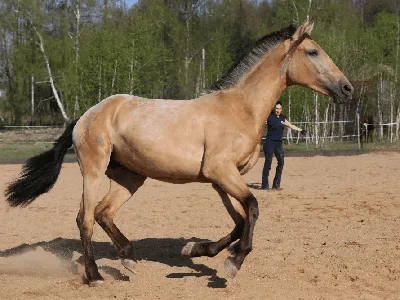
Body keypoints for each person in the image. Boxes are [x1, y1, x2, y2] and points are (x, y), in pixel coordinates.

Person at [261, 101, 306, 190]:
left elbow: (291, 125)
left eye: (280, 108)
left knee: (281, 162)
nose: (278, 110)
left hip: (278, 143)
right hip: (269, 142)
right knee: (268, 163)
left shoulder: (282, 118)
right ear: (274, 109)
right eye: (276, 108)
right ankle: (265, 185)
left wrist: (301, 130)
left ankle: (276, 185)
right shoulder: (268, 117)